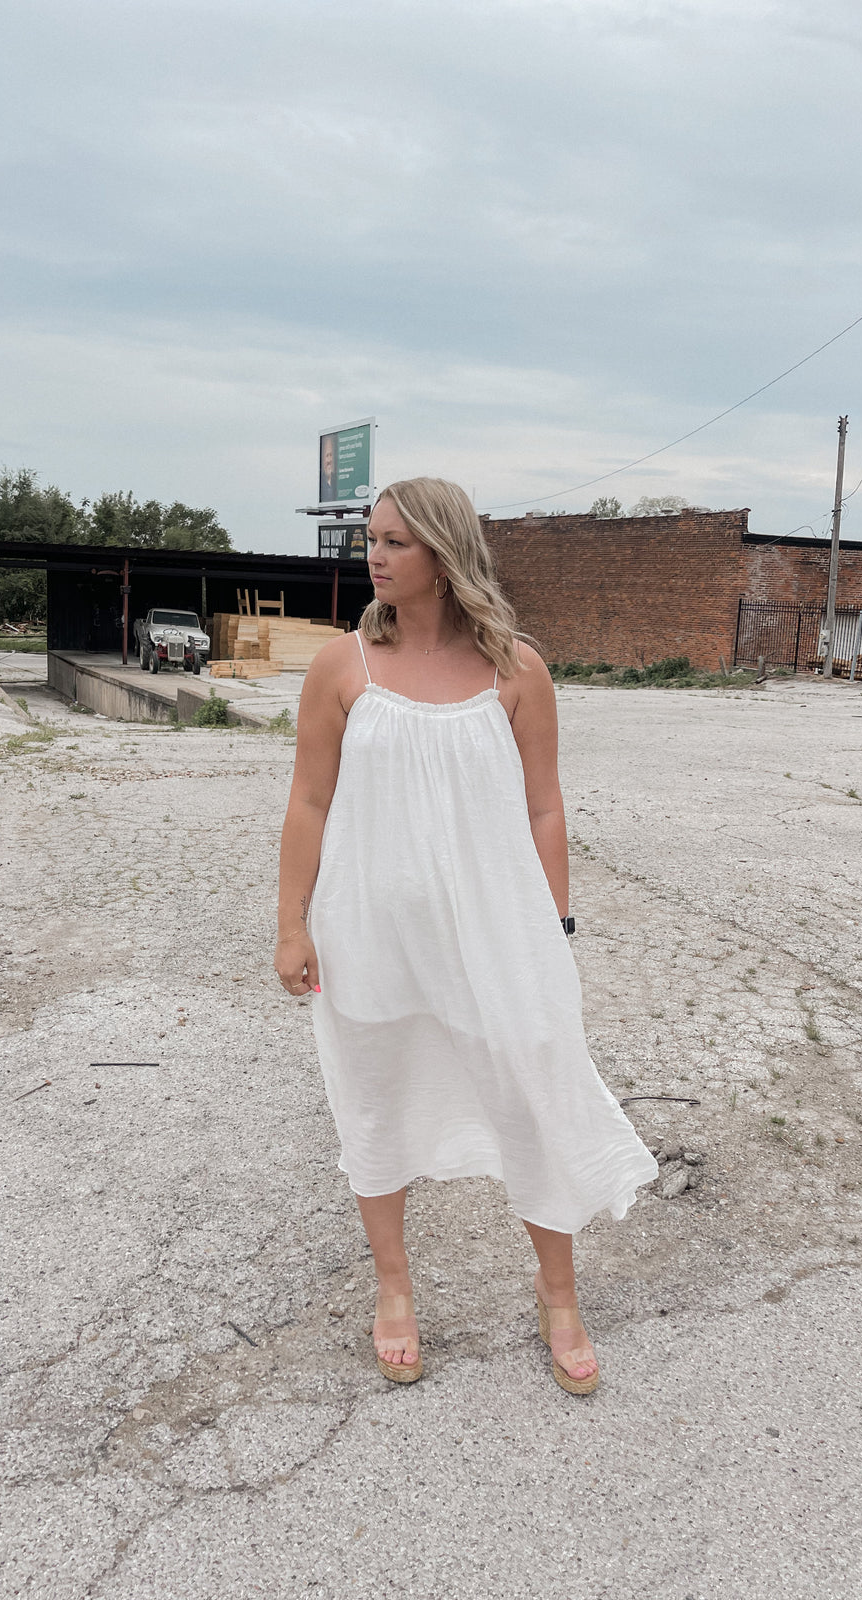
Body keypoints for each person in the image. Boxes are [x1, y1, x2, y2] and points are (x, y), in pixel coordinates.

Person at [274, 477, 657, 1394]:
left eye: (396, 541)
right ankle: (395, 1289)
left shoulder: (517, 669)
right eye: (371, 539)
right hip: (368, 930)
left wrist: (550, 930)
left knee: (531, 1087)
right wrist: (291, 922)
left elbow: (544, 806)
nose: (374, 555)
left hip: (495, 933)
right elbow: (310, 800)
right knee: (377, 1096)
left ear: (443, 554)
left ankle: (558, 1295)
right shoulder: (342, 667)